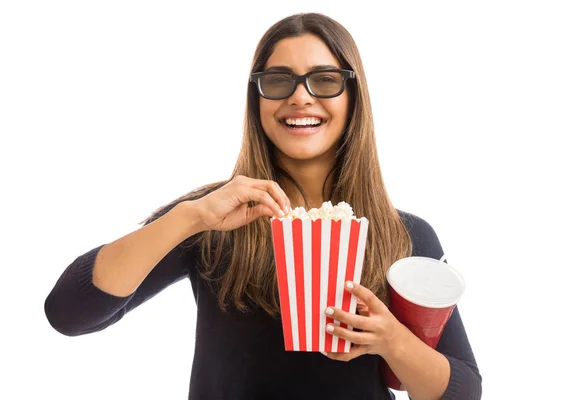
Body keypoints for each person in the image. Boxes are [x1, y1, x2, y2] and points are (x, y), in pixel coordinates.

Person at [45, 12, 482, 400]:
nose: (300, 97)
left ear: (353, 96)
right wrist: (190, 217)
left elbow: (462, 392)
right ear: (257, 100)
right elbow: (68, 313)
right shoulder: (213, 215)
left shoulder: (402, 234)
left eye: (325, 79)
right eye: (278, 80)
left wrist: (393, 341)